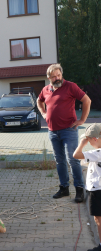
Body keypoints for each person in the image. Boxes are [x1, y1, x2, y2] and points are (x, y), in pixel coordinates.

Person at [37, 63, 91, 203]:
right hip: (52, 132)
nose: (57, 78)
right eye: (54, 76)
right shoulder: (45, 89)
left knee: (73, 160)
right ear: (49, 77)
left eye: (59, 75)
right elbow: (39, 101)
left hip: (69, 130)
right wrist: (43, 112)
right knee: (59, 161)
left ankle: (79, 190)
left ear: (62, 74)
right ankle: (64, 188)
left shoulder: (70, 86)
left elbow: (87, 100)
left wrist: (82, 120)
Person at [73, 123, 101, 251]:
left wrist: (82, 144)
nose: (88, 143)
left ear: (95, 139)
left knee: (99, 219)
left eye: (89, 140)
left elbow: (76, 155)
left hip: (98, 190)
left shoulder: (98, 152)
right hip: (96, 189)